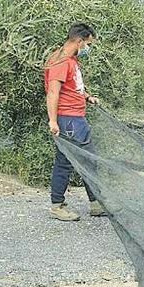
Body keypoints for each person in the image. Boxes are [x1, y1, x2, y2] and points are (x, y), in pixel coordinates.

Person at [44, 23, 105, 221]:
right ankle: (57, 206)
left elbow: (74, 87)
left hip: (77, 118)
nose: (88, 48)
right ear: (79, 41)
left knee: (88, 160)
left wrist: (87, 96)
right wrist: (53, 121)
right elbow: (53, 92)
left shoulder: (71, 60)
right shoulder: (60, 61)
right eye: (88, 44)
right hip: (68, 120)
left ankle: (95, 203)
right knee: (66, 163)